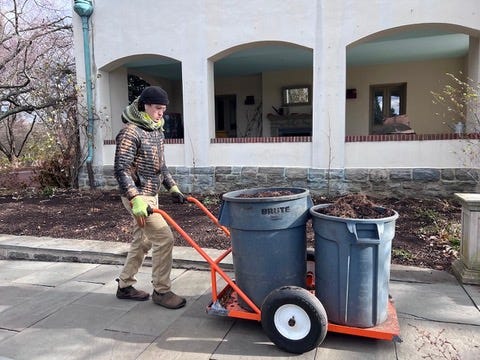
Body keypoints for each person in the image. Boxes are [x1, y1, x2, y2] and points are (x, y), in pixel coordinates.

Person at [113, 86, 187, 309]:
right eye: (157, 108)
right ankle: (162, 291)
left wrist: (173, 188)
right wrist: (135, 199)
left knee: (142, 241)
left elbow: (160, 165)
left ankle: (125, 286)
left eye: (163, 109)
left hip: (152, 195)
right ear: (144, 105)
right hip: (137, 198)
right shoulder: (131, 132)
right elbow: (121, 169)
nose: (160, 113)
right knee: (165, 238)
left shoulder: (155, 130)